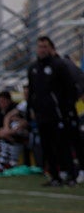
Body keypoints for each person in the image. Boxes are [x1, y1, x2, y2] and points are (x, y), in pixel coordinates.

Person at [27, 36, 79, 186]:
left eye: (45, 47)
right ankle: (54, 176)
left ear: (50, 48)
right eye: (40, 46)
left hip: (58, 114)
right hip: (42, 114)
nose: (42, 49)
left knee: (62, 145)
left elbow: (70, 89)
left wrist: (67, 108)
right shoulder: (34, 68)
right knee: (47, 146)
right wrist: (31, 109)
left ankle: (71, 175)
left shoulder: (59, 65)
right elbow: (32, 91)